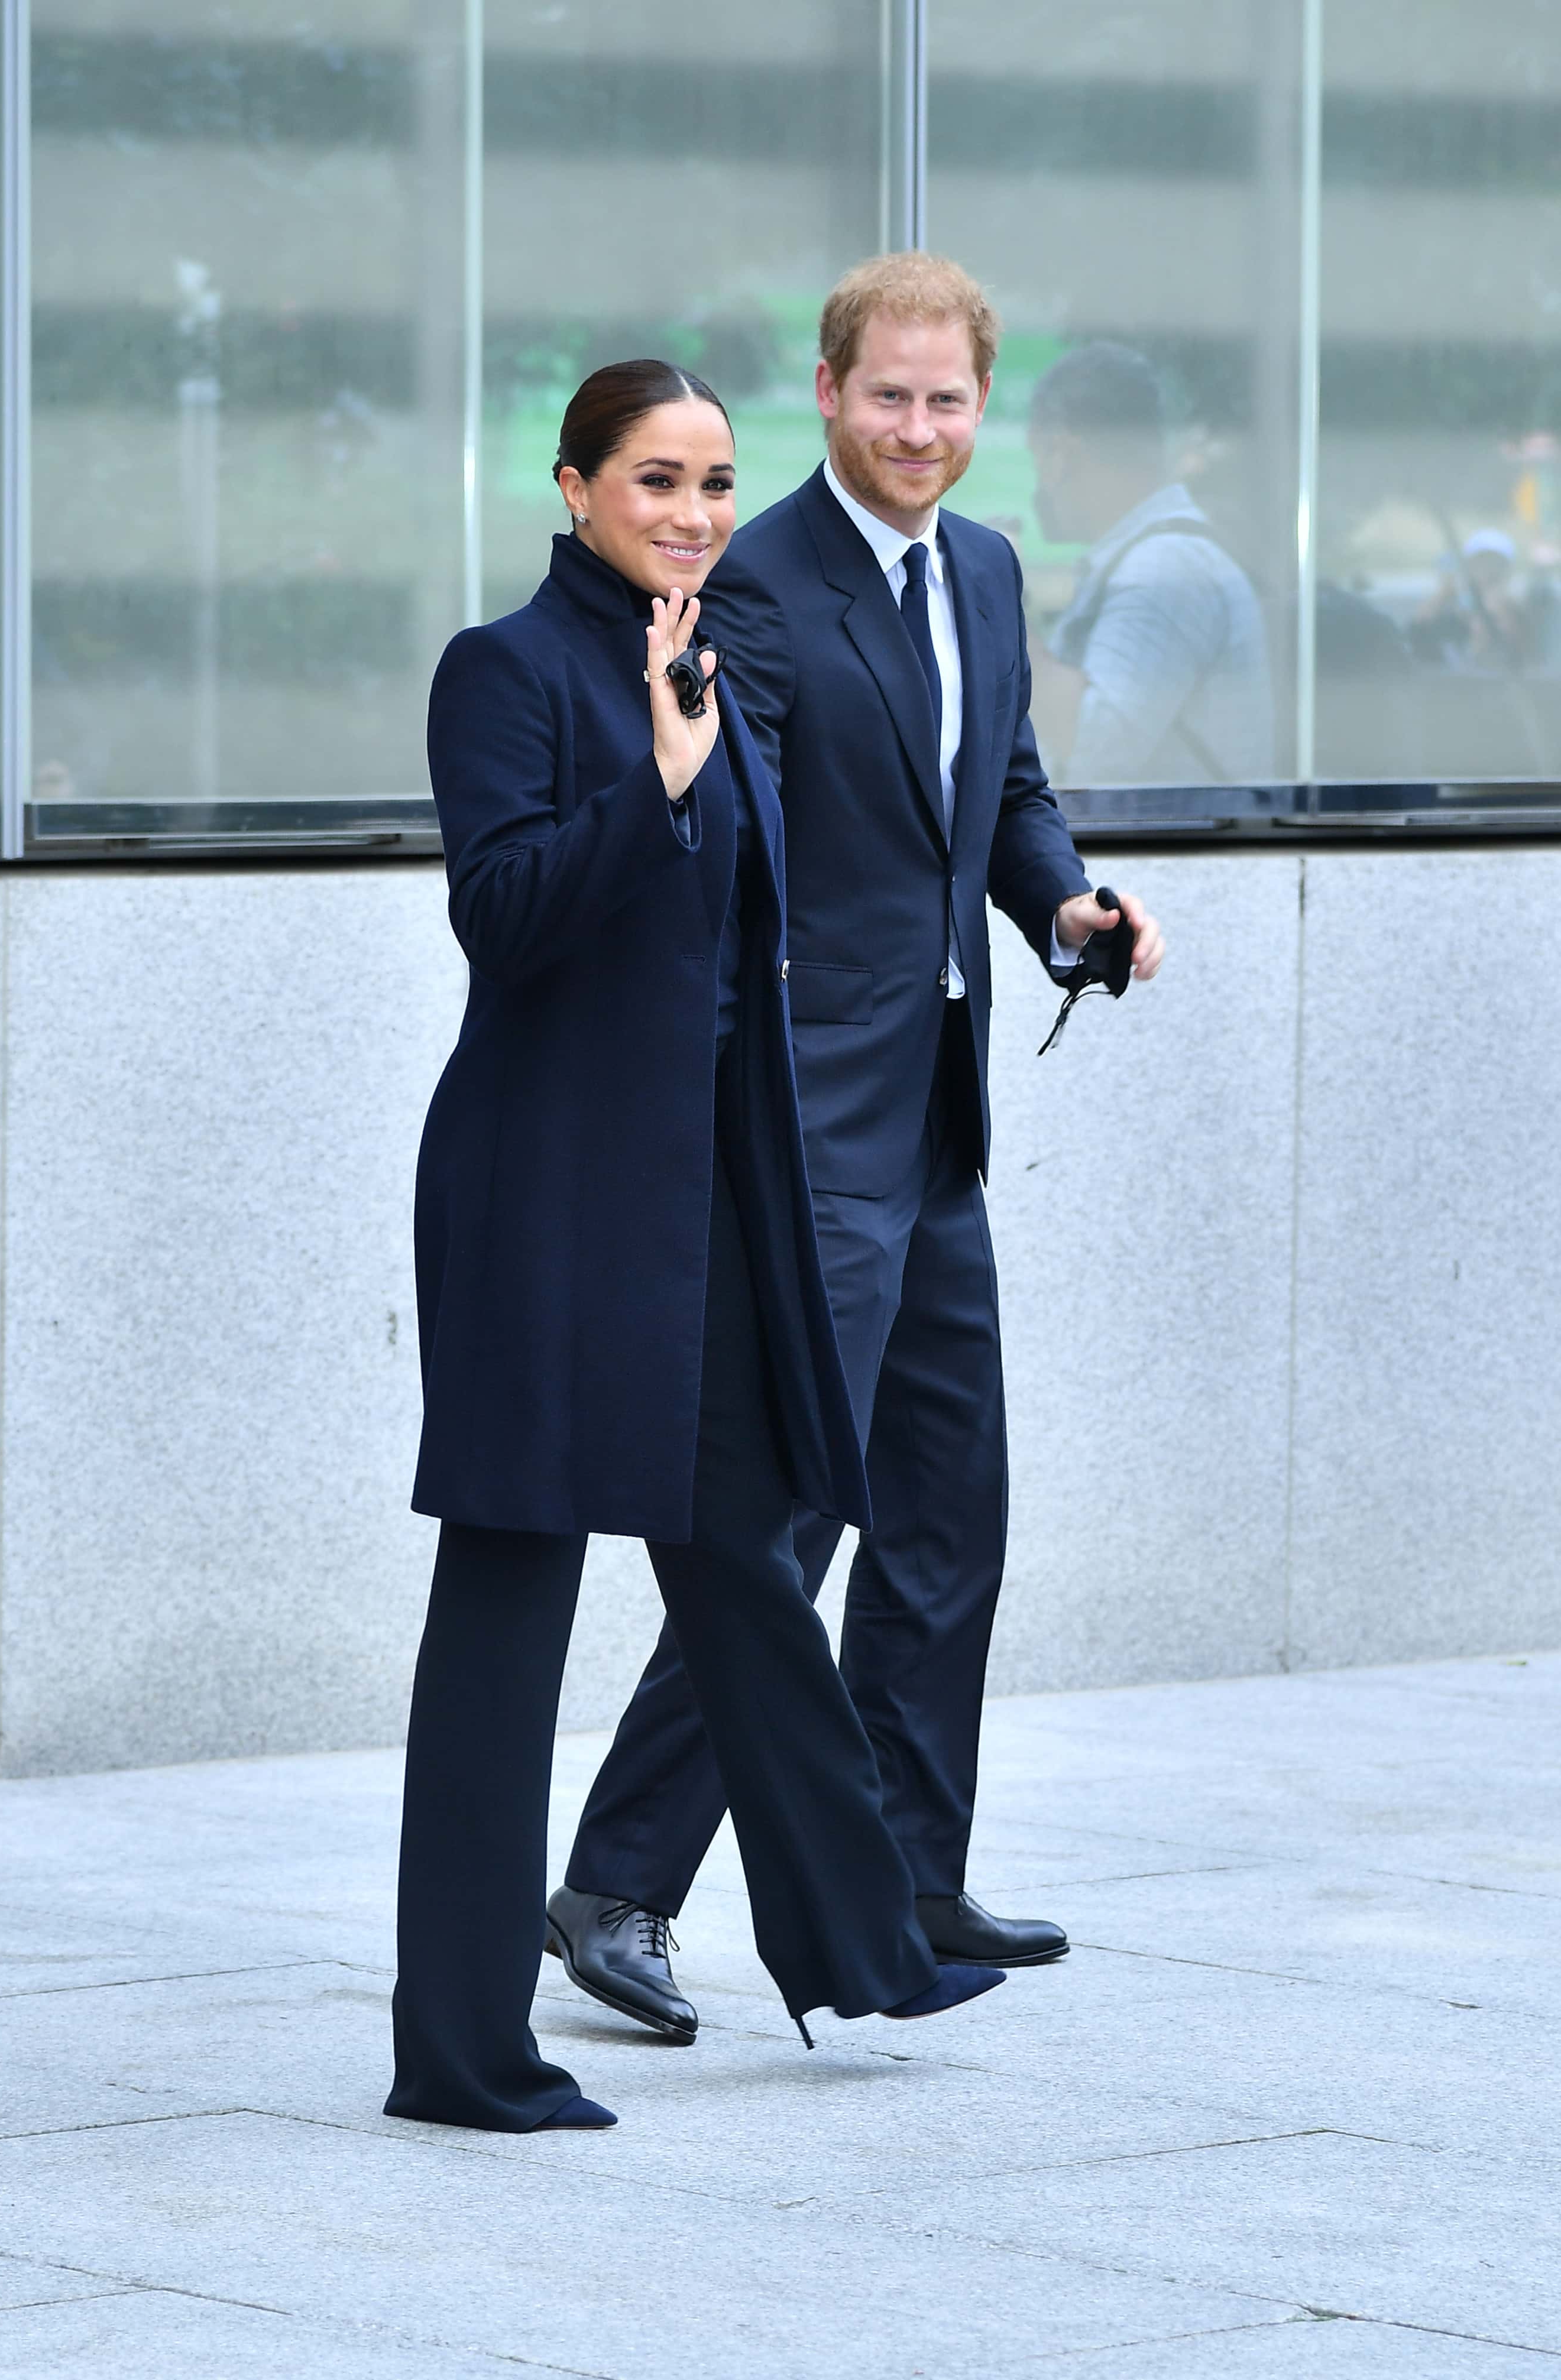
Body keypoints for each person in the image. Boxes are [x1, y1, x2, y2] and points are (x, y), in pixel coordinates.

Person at [385, 357, 1005, 2137]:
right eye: (656, 481)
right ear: (574, 489)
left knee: (742, 1547)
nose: (694, 514)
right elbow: (500, 919)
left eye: (718, 482)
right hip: (546, 1200)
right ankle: (461, 2049)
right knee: (510, 1598)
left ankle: (859, 1939)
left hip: (703, 1200)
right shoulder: (503, 671)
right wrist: (653, 785)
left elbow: (752, 950)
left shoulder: (714, 663)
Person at [548, 258, 1164, 2044]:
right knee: (788, 1511)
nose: (917, 430)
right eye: (886, 397)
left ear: (981, 408)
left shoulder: (980, 567)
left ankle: (907, 1871)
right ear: (826, 395)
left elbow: (1006, 788)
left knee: (945, 1502)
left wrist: (1068, 908)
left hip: (935, 1115)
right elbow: (733, 853)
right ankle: (619, 1881)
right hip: (804, 1126)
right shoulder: (758, 584)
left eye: (947, 401)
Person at [1025, 341, 1274, 788]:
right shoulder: (1149, 557)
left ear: (1063, 453)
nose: (1039, 480)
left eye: (1038, 457)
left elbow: (1095, 748)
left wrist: (992, 607)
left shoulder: (1163, 568)